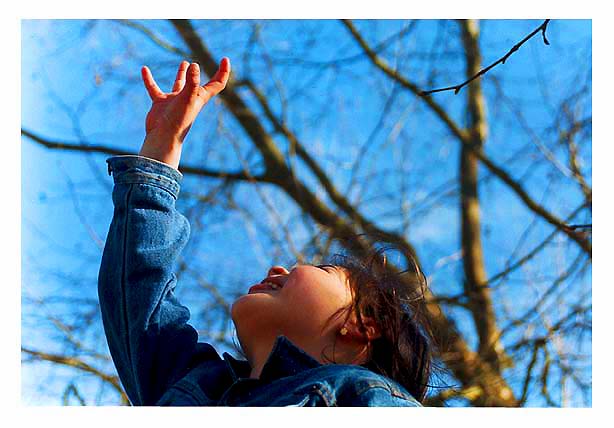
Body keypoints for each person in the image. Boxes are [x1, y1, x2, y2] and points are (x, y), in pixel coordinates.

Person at [98, 58, 434, 406]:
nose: (278, 268)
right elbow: (138, 299)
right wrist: (160, 152)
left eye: (323, 269)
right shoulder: (198, 386)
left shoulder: (360, 394)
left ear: (362, 326)